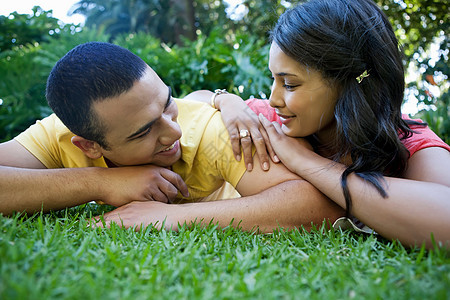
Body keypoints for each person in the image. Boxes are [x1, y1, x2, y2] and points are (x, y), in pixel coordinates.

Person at [0, 42, 343, 232]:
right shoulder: (57, 134)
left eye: (167, 105)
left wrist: (169, 217)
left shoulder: (209, 129)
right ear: (89, 145)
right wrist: (100, 182)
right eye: (144, 131)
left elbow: (316, 206)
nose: (174, 131)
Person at [201, 0, 450, 248]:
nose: (273, 99)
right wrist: (225, 99)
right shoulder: (270, 121)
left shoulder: (408, 141)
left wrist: (307, 163)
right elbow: (187, 106)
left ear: (346, 83)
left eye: (290, 84)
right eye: (273, 79)